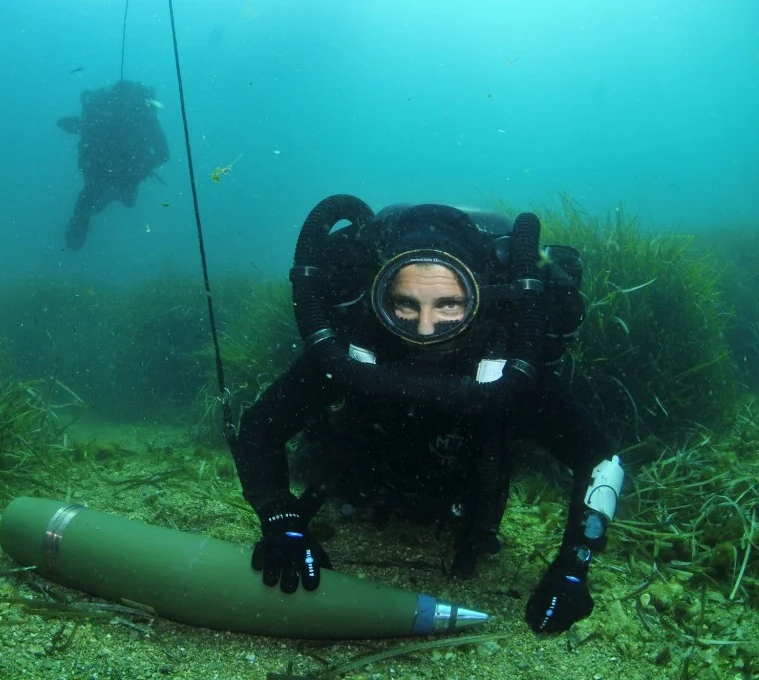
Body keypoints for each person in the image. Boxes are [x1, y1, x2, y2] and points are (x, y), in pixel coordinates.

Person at [230, 195, 625, 634]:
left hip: (463, 504)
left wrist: (573, 566)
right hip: (357, 489)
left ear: (479, 298)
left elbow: (600, 459)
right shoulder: (353, 349)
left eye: (448, 305)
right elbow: (261, 427)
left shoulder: (509, 366)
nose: (424, 328)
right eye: (405, 304)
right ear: (380, 296)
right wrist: (280, 519)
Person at [57, 80, 169, 250]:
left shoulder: (102, 113)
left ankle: (82, 220)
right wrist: (142, 168)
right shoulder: (145, 115)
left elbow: (77, 126)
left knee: (94, 198)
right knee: (126, 200)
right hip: (127, 169)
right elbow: (163, 154)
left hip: (100, 165)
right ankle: (91, 211)